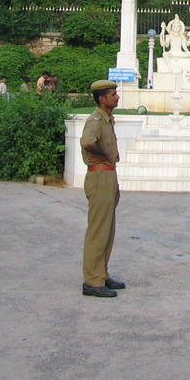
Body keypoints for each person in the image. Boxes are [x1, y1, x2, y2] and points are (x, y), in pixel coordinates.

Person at [80, 79, 124, 298]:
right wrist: (104, 155)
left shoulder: (108, 120)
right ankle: (92, 280)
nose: (116, 97)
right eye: (112, 94)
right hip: (98, 175)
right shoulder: (95, 119)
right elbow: (87, 142)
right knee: (98, 230)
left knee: (108, 230)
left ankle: (102, 273)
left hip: (108, 174)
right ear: (102, 98)